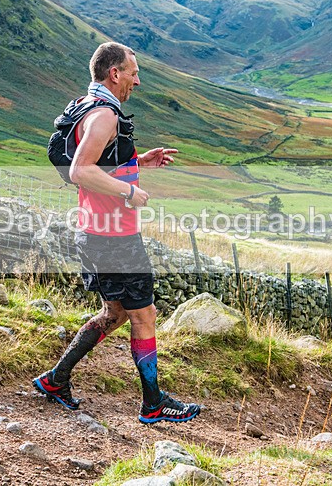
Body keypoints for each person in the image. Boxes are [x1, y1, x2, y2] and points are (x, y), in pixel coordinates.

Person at [33, 42, 201, 424]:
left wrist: (139, 162)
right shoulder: (106, 114)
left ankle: (56, 379)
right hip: (115, 238)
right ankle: (154, 403)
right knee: (145, 315)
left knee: (117, 312)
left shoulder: (84, 105)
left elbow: (96, 161)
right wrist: (131, 192)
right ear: (115, 73)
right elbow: (79, 170)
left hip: (93, 231)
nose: (137, 80)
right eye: (133, 72)